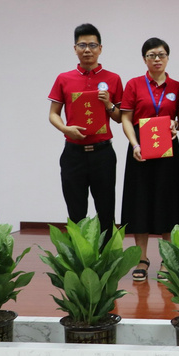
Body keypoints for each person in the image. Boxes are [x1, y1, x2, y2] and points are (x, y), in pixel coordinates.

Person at [120, 38, 179, 281]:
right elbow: (126, 118)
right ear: (144, 59)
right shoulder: (134, 84)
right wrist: (134, 144)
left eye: (161, 54)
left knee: (168, 201)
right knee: (140, 200)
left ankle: (167, 258)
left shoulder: (178, 86)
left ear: (168, 57)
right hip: (140, 148)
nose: (157, 59)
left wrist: (176, 125)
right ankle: (142, 258)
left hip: (168, 149)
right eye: (151, 55)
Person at [48, 23, 122, 239]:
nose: (87, 50)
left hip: (103, 154)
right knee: (76, 212)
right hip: (73, 154)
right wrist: (65, 129)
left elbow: (119, 118)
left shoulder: (113, 78)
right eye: (82, 45)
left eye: (92, 45)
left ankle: (107, 256)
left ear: (100, 48)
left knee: (106, 211)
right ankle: (79, 257)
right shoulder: (64, 78)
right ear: (75, 49)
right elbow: (53, 114)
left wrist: (108, 104)